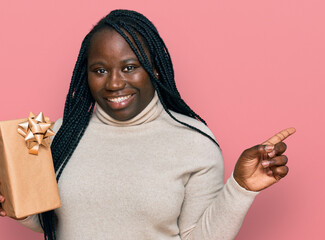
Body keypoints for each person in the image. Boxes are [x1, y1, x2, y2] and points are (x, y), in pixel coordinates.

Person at [0, 9, 295, 240]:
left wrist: (241, 189)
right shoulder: (63, 133)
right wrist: (16, 204)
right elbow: (54, 223)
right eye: (100, 70)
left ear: (153, 68)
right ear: (85, 74)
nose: (114, 83)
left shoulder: (193, 143)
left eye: (130, 67)